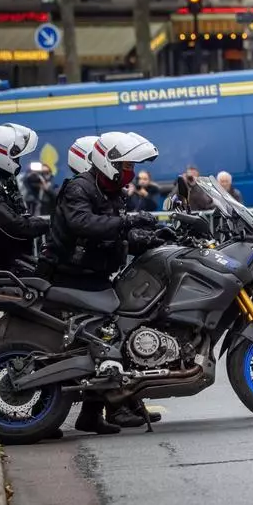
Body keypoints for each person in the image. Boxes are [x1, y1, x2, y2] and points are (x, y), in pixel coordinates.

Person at [37, 131, 166, 435]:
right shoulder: (78, 188)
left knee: (107, 335)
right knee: (103, 336)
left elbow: (116, 236)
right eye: (125, 166)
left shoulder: (114, 192)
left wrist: (153, 239)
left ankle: (102, 411)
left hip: (93, 274)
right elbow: (85, 224)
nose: (130, 172)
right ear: (107, 162)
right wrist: (130, 221)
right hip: (68, 274)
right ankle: (113, 407)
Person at [0, 124, 50, 278]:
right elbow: (15, 226)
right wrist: (53, 223)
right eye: (15, 156)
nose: (17, 160)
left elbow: (21, 213)